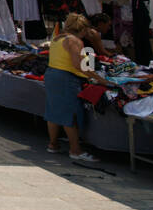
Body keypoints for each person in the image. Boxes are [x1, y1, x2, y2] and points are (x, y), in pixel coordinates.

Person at [44, 13, 112, 162]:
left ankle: (53, 144)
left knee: (53, 110)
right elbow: (79, 65)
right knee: (71, 114)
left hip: (52, 75)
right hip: (66, 78)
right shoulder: (75, 41)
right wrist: (100, 79)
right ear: (83, 29)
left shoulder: (57, 38)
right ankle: (75, 150)